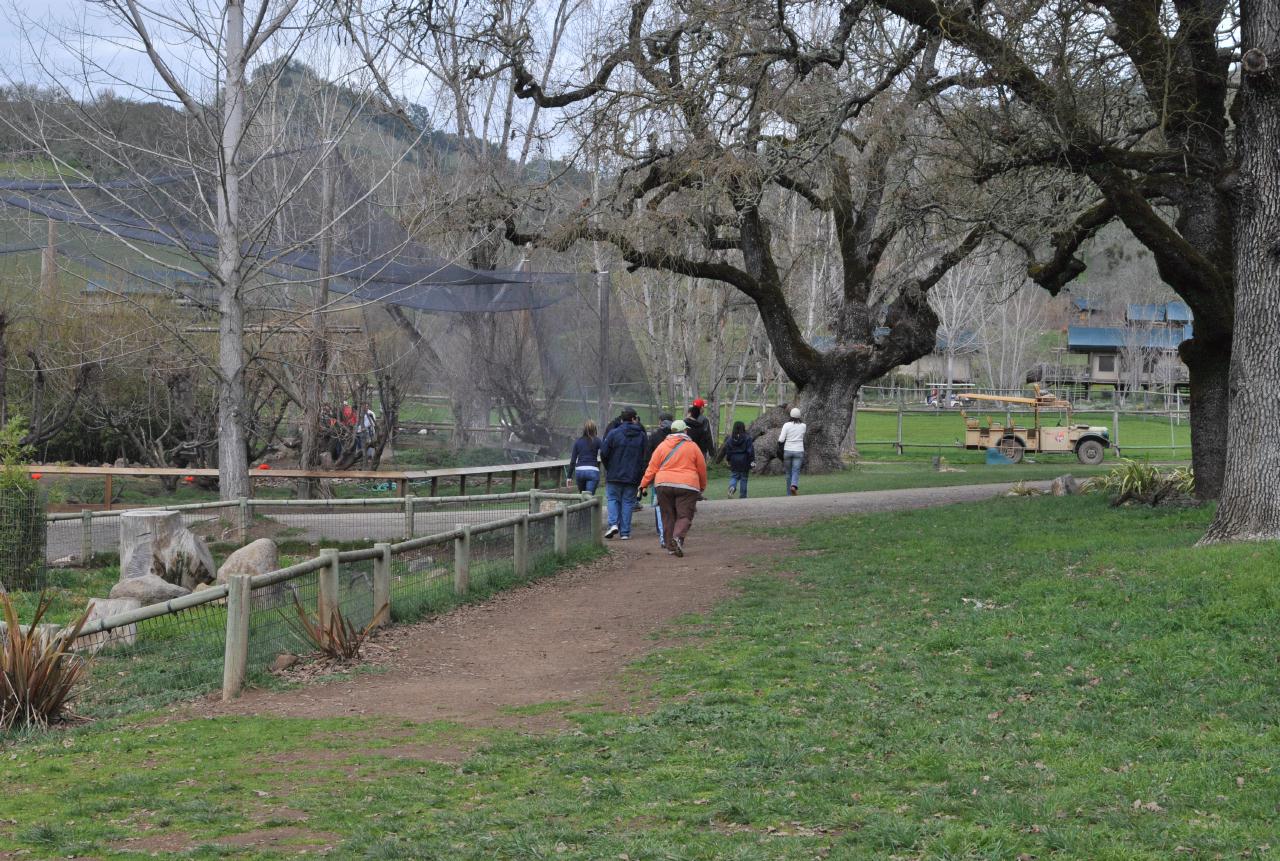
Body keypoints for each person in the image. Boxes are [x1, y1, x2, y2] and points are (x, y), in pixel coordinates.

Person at [639, 419, 707, 557]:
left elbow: (652, 468)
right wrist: (702, 486)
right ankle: (677, 538)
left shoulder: (662, 446)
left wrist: (643, 484)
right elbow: (702, 469)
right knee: (685, 515)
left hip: (663, 484)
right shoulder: (693, 447)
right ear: (685, 431)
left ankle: (670, 546)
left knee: (667, 516)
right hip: (687, 486)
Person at [599, 408, 647, 539]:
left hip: (614, 473)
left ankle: (613, 524)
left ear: (621, 419)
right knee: (627, 502)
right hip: (633, 475)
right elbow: (645, 456)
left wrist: (609, 466)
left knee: (613, 499)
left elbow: (603, 452)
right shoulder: (642, 436)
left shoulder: (613, 434)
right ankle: (625, 532)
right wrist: (641, 473)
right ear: (634, 419)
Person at [645, 413, 674, 546]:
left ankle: (661, 530)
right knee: (673, 504)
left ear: (660, 421)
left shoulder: (654, 437)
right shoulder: (676, 438)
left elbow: (647, 457)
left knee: (658, 503)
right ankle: (672, 531)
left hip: (658, 475)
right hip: (675, 474)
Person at [778, 407, 807, 496]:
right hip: (799, 450)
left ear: (790, 415)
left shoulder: (786, 425)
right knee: (796, 470)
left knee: (788, 473)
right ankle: (794, 485)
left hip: (788, 450)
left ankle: (789, 494)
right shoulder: (803, 426)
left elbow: (781, 439)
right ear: (799, 416)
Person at [723, 420, 755, 498]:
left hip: (734, 460)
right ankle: (743, 496)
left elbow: (728, 451)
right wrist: (752, 460)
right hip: (745, 460)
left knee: (734, 476)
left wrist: (728, 460)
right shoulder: (747, 438)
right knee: (744, 478)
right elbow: (750, 451)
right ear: (743, 428)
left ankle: (732, 487)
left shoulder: (730, 439)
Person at [569, 420, 602, 493]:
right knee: (589, 498)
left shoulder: (578, 442)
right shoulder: (597, 441)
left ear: (584, 429)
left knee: (583, 497)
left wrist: (569, 477)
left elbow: (573, 461)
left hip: (580, 470)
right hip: (592, 470)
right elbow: (605, 453)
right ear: (595, 429)